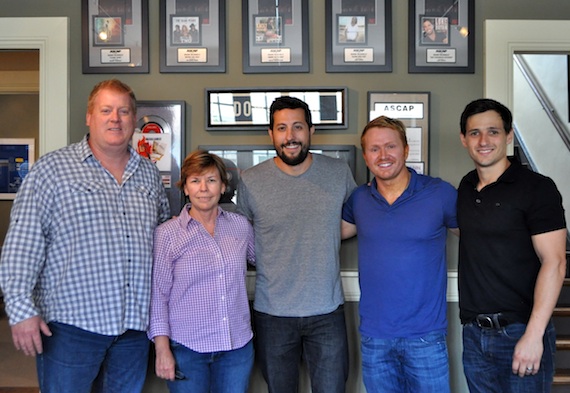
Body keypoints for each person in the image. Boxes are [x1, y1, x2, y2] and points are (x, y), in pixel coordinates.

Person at [0, 79, 171, 393]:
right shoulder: (52, 170)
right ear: (89, 117)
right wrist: (21, 309)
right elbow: (22, 246)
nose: (115, 118)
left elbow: (163, 242)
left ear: (134, 120)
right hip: (71, 327)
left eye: (123, 111)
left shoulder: (148, 174)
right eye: (105, 110)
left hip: (134, 327)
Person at [237, 96, 356, 393]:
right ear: (271, 133)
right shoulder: (251, 180)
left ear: (311, 130)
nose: (290, 137)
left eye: (298, 127)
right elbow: (240, 235)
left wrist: (322, 231)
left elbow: (359, 218)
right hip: (272, 314)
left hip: (326, 311)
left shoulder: (338, 172)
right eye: (281, 128)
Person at [341, 116, 458, 393]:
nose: (383, 155)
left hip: (426, 338)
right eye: (374, 149)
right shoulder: (358, 200)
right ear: (366, 156)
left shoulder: (439, 193)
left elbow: (479, 237)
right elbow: (323, 236)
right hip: (375, 339)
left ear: (406, 150)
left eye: (390, 146)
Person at [458, 98, 567, 392]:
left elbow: (555, 262)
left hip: (520, 332)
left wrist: (533, 335)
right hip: (473, 335)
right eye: (474, 132)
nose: (483, 141)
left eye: (493, 131)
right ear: (463, 139)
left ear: (508, 136)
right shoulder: (466, 187)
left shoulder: (537, 188)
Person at [148, 150, 255, 393]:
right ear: (185, 188)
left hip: (235, 347)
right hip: (187, 349)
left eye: (211, 180)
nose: (203, 188)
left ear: (223, 186)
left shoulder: (240, 226)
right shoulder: (167, 234)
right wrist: (162, 350)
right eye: (195, 181)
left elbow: (265, 260)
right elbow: (158, 296)